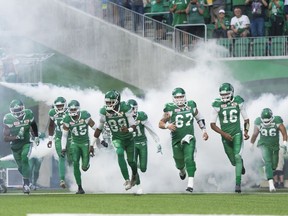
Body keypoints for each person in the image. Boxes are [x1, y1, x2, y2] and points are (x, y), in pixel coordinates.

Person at [159, 87, 209, 193]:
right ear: (173, 98)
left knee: (189, 159)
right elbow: (160, 123)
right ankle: (182, 171)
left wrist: (204, 130)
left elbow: (199, 118)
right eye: (177, 97)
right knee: (179, 163)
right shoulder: (170, 109)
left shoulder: (191, 105)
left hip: (189, 138)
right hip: (176, 139)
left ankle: (190, 184)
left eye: (181, 96)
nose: (179, 99)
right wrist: (168, 126)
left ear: (185, 96)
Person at [93, 90, 138, 191]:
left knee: (131, 161)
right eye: (107, 102)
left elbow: (134, 125)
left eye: (111, 102)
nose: (108, 104)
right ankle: (127, 180)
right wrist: (92, 144)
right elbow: (99, 129)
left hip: (129, 139)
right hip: (117, 138)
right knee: (119, 152)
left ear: (117, 101)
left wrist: (128, 129)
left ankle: (134, 174)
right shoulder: (104, 112)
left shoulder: (125, 108)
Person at [210, 83, 250, 193]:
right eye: (222, 94)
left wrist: (246, 132)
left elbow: (246, 119)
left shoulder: (238, 101)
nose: (224, 96)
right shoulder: (217, 104)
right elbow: (212, 124)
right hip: (225, 136)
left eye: (227, 94)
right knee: (233, 161)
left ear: (232, 93)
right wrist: (224, 134)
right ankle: (240, 165)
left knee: (237, 157)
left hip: (237, 134)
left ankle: (238, 184)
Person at [3, 99, 40, 194]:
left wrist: (36, 136)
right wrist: (16, 137)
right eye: (15, 110)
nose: (17, 112)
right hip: (15, 146)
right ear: (11, 110)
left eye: (19, 109)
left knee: (25, 158)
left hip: (26, 142)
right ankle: (28, 181)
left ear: (23, 108)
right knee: (20, 167)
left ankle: (26, 185)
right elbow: (6, 138)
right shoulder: (8, 119)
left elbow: (33, 124)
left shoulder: (28, 113)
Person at [127, 99, 162, 194]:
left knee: (143, 168)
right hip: (132, 144)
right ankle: (139, 187)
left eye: (133, 109)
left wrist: (157, 142)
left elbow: (150, 129)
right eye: (130, 109)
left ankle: (135, 169)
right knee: (133, 164)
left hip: (142, 143)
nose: (131, 111)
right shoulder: (125, 118)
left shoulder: (141, 116)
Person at [61, 100, 96, 194]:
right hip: (75, 143)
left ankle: (87, 164)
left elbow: (96, 128)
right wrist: (63, 148)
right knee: (75, 163)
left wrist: (96, 142)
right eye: (71, 109)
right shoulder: (67, 119)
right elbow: (64, 135)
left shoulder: (85, 115)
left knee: (84, 167)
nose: (72, 111)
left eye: (74, 109)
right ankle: (79, 187)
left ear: (78, 109)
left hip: (85, 143)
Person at [250, 108, 287, 192]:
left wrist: (285, 144)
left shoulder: (277, 120)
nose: (266, 122)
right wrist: (251, 144)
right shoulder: (258, 122)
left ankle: (265, 166)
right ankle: (271, 184)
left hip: (275, 146)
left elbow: (284, 133)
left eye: (268, 120)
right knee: (268, 162)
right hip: (264, 145)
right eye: (264, 120)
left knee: (274, 166)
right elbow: (255, 134)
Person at [47, 96, 72, 189]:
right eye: (58, 106)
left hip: (70, 138)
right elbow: (51, 125)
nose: (60, 108)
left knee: (71, 159)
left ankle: (72, 178)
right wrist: (50, 139)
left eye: (61, 105)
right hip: (58, 137)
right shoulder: (52, 112)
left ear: (65, 105)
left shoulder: (70, 111)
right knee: (61, 156)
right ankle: (62, 179)